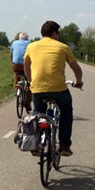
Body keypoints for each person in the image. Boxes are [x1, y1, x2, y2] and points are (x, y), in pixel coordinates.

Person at [23, 21, 84, 156]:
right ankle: (64, 145)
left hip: (38, 88)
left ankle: (35, 145)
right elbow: (77, 70)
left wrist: (30, 81)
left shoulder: (31, 47)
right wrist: (78, 82)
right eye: (58, 33)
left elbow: (26, 66)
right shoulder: (63, 47)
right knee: (66, 111)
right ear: (54, 33)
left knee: (38, 112)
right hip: (59, 89)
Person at [10, 32, 32, 111]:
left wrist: (12, 62)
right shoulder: (29, 43)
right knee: (30, 82)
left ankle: (16, 86)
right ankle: (28, 101)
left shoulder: (14, 43)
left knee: (16, 73)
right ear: (27, 38)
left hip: (16, 65)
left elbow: (11, 55)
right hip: (26, 66)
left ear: (19, 38)